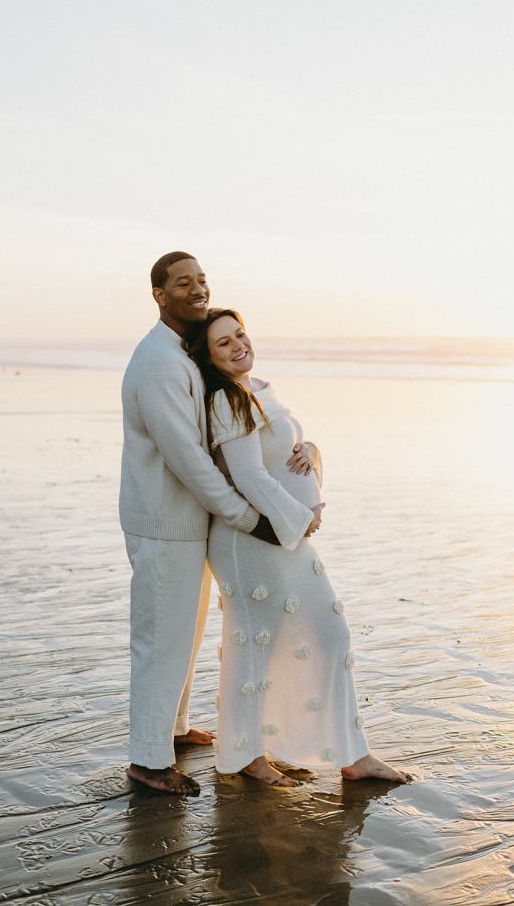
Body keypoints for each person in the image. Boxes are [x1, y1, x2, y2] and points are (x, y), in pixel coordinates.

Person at [119, 253, 320, 796]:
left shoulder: (182, 352)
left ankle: (173, 729)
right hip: (164, 522)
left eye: (201, 280)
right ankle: (148, 761)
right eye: (182, 283)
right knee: (161, 640)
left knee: (183, 633)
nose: (196, 289)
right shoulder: (159, 364)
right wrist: (247, 517)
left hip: (188, 522)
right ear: (159, 295)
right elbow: (188, 460)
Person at [184, 308, 412, 786]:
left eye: (240, 334)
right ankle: (246, 755)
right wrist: (300, 517)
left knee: (330, 636)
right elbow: (249, 476)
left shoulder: (258, 388)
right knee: (256, 647)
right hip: (251, 541)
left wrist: (311, 452)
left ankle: (354, 755)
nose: (238, 345)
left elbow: (285, 454)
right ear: (209, 357)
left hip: (285, 534)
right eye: (224, 343)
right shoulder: (225, 400)